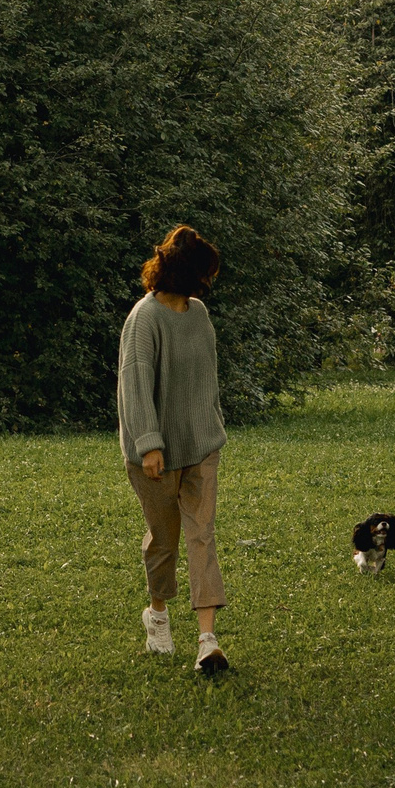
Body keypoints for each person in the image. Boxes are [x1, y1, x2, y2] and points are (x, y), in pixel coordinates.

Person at [118, 224, 229, 674]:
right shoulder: (144, 318)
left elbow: (208, 378)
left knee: (202, 535)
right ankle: (158, 615)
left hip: (201, 445)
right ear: (185, 272)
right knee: (164, 541)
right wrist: (149, 445)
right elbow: (135, 384)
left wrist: (212, 427)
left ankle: (207, 640)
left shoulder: (199, 314)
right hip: (155, 455)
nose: (206, 283)